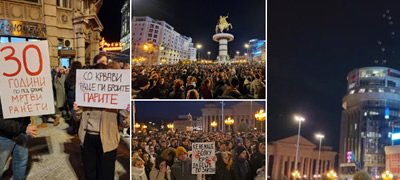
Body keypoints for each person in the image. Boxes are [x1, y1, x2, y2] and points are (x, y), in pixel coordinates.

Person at [73, 61, 130, 180]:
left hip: (108, 140)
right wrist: (76, 110)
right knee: (90, 174)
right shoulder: (87, 92)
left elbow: (124, 123)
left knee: (106, 175)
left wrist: (126, 111)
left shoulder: (117, 94)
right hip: (88, 138)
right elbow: (76, 118)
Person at [0, 102, 37, 179]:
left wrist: (26, 122)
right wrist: (23, 128)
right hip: (3, 136)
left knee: (21, 163)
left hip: (21, 133)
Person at [65, 61, 82, 134]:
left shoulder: (68, 77)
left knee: (73, 111)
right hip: (79, 95)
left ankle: (74, 128)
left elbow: (65, 87)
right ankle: (78, 128)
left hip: (70, 96)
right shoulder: (82, 76)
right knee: (79, 111)